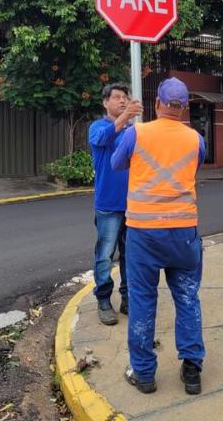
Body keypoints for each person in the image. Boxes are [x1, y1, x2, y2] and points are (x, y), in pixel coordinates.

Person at [111, 77, 206, 396]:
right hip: (184, 235)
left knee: (141, 300)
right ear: (184, 108)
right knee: (188, 297)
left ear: (157, 104)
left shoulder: (136, 133)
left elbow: (116, 163)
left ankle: (144, 374)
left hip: (144, 235)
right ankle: (192, 370)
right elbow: (194, 170)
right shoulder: (196, 139)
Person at [89, 83, 143, 325]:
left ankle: (128, 298)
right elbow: (104, 138)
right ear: (105, 103)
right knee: (105, 255)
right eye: (118, 98)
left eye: (125, 98)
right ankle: (103, 299)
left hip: (133, 205)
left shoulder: (133, 130)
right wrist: (125, 116)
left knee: (130, 256)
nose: (123, 101)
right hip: (108, 205)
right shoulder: (98, 127)